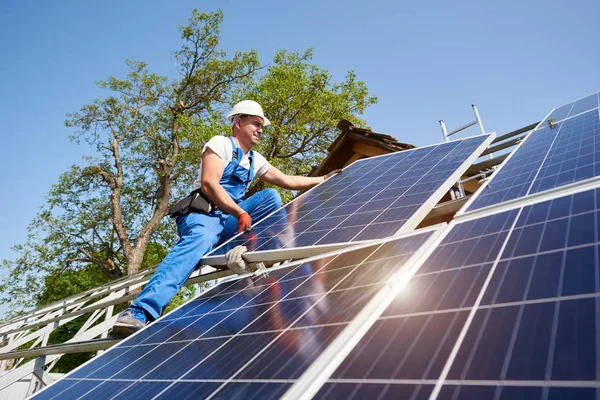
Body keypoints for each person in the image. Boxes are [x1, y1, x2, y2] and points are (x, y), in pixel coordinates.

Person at [112, 100, 339, 336]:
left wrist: (322, 180)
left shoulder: (255, 160)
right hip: (203, 217)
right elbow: (209, 183)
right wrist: (240, 211)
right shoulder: (220, 144)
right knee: (200, 240)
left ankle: (282, 262)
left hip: (228, 223)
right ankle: (139, 312)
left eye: (263, 126)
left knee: (270, 196)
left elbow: (288, 181)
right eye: (256, 124)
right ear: (238, 123)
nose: (260, 130)